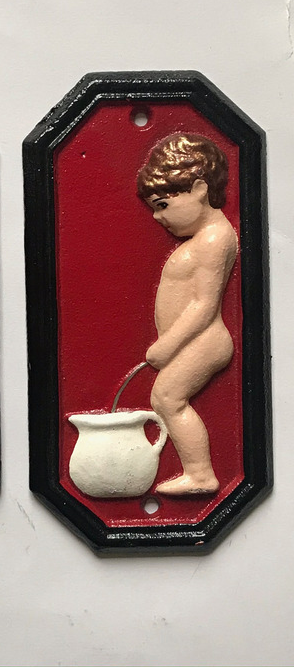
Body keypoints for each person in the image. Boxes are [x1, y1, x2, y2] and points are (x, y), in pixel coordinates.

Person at [136, 134, 238, 495]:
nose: (157, 216)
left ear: (199, 189)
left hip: (204, 340)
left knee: (168, 399)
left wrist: (167, 345)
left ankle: (201, 475)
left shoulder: (213, 239)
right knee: (167, 399)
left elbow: (205, 304)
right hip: (193, 342)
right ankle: (197, 473)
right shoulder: (207, 237)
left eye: (164, 205)